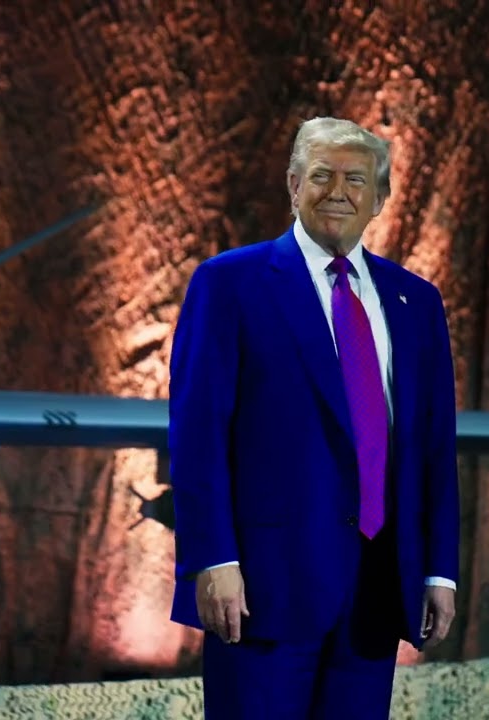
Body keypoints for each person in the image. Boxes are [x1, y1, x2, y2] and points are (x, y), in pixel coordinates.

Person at [168, 116, 460, 719]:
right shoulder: (229, 283)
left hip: (377, 592)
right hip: (263, 592)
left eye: (356, 179)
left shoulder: (416, 302)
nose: (338, 192)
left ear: (379, 199)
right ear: (294, 185)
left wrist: (439, 571)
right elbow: (199, 436)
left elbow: (434, 448)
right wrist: (212, 559)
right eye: (322, 176)